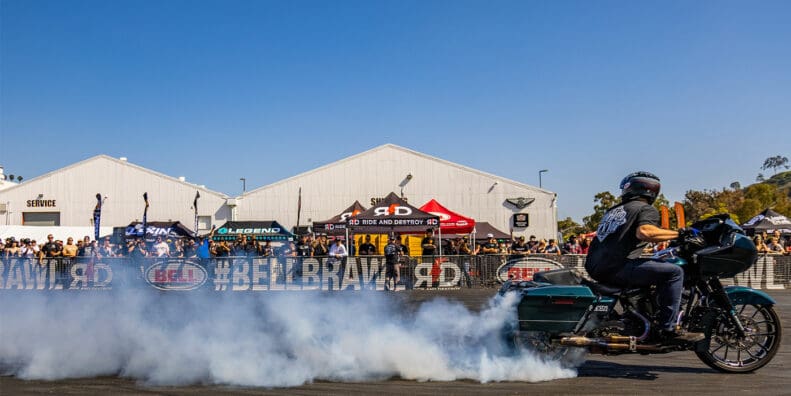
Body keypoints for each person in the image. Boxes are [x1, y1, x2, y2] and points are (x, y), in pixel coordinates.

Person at [584, 171, 703, 343]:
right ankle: (668, 328)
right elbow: (645, 232)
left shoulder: (614, 210)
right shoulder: (645, 208)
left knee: (656, 265)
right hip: (617, 267)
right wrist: (679, 234)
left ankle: (642, 314)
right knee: (674, 272)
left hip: (598, 267)